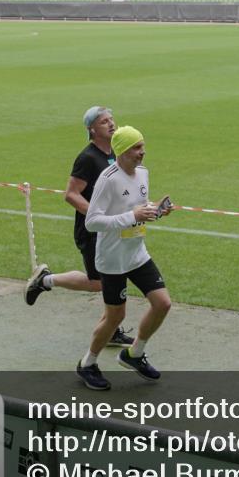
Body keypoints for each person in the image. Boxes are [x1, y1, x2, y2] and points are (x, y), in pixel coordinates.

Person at [23, 106, 133, 347]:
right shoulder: (88, 158)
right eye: (105, 122)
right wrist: (98, 217)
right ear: (92, 129)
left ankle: (112, 329)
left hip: (112, 228)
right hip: (93, 231)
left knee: (112, 278)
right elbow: (71, 194)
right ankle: (45, 280)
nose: (112, 124)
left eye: (112, 119)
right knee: (99, 283)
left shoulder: (114, 153)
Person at [79, 125, 171, 390]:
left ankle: (134, 354)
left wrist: (156, 210)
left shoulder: (143, 173)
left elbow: (138, 206)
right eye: (137, 147)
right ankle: (87, 364)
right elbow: (93, 222)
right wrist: (133, 217)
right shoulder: (108, 179)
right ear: (122, 151)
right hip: (112, 260)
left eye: (143, 146)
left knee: (162, 303)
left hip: (137, 253)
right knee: (115, 317)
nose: (143, 152)